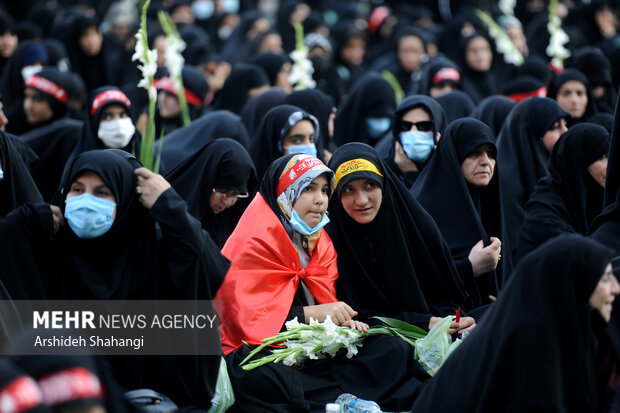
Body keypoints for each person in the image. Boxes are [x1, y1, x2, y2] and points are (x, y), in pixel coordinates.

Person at [0, 150, 229, 410]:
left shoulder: (150, 252)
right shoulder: (51, 248)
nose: (86, 201)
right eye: (77, 189)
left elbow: (208, 268)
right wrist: (17, 226)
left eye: (101, 192)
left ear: (126, 198)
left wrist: (170, 206)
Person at [216, 154, 431, 412]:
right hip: (262, 347)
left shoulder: (320, 242)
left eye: (325, 190)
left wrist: (341, 321)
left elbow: (325, 304)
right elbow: (244, 323)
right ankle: (339, 402)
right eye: (308, 188)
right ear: (283, 194)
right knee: (258, 374)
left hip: (310, 346)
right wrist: (310, 314)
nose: (320, 199)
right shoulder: (252, 242)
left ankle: (344, 399)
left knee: (388, 347)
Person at [411, 234, 620, 413]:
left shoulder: (570, 331)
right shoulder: (529, 347)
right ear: (571, 287)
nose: (616, 288)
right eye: (605, 279)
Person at [326, 142, 477, 331]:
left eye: (370, 185)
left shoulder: (417, 226)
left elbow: (447, 295)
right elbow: (353, 317)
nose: (362, 200)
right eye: (348, 189)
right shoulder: (327, 243)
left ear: (384, 183)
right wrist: (423, 323)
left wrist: (454, 321)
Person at [411, 118, 512, 306]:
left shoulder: (488, 200)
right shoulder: (423, 208)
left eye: (491, 154)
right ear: (454, 156)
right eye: (474, 153)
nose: (485, 162)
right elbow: (414, 284)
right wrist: (469, 268)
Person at [517, 123, 610, 259]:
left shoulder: (604, 199)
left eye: (611, 156)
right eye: (603, 157)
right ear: (579, 161)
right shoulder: (543, 215)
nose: (612, 166)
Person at [496, 97, 569, 260]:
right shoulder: (506, 182)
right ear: (531, 134)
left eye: (565, 124)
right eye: (555, 127)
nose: (565, 132)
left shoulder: (557, 169)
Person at [165, 138, 258, 248]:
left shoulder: (226, 220)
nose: (227, 202)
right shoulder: (171, 206)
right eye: (223, 191)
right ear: (207, 180)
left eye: (235, 195)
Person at [376, 95, 447, 188]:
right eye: (405, 126)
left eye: (424, 126)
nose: (413, 132)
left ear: (438, 129)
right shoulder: (382, 173)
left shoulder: (451, 170)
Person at [250, 104, 320, 179]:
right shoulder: (252, 186)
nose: (308, 146)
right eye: (296, 140)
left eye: (311, 139)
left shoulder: (321, 181)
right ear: (275, 144)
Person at [332, 72, 396, 147]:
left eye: (386, 116)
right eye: (374, 116)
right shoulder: (336, 139)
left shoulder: (395, 149)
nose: (381, 123)